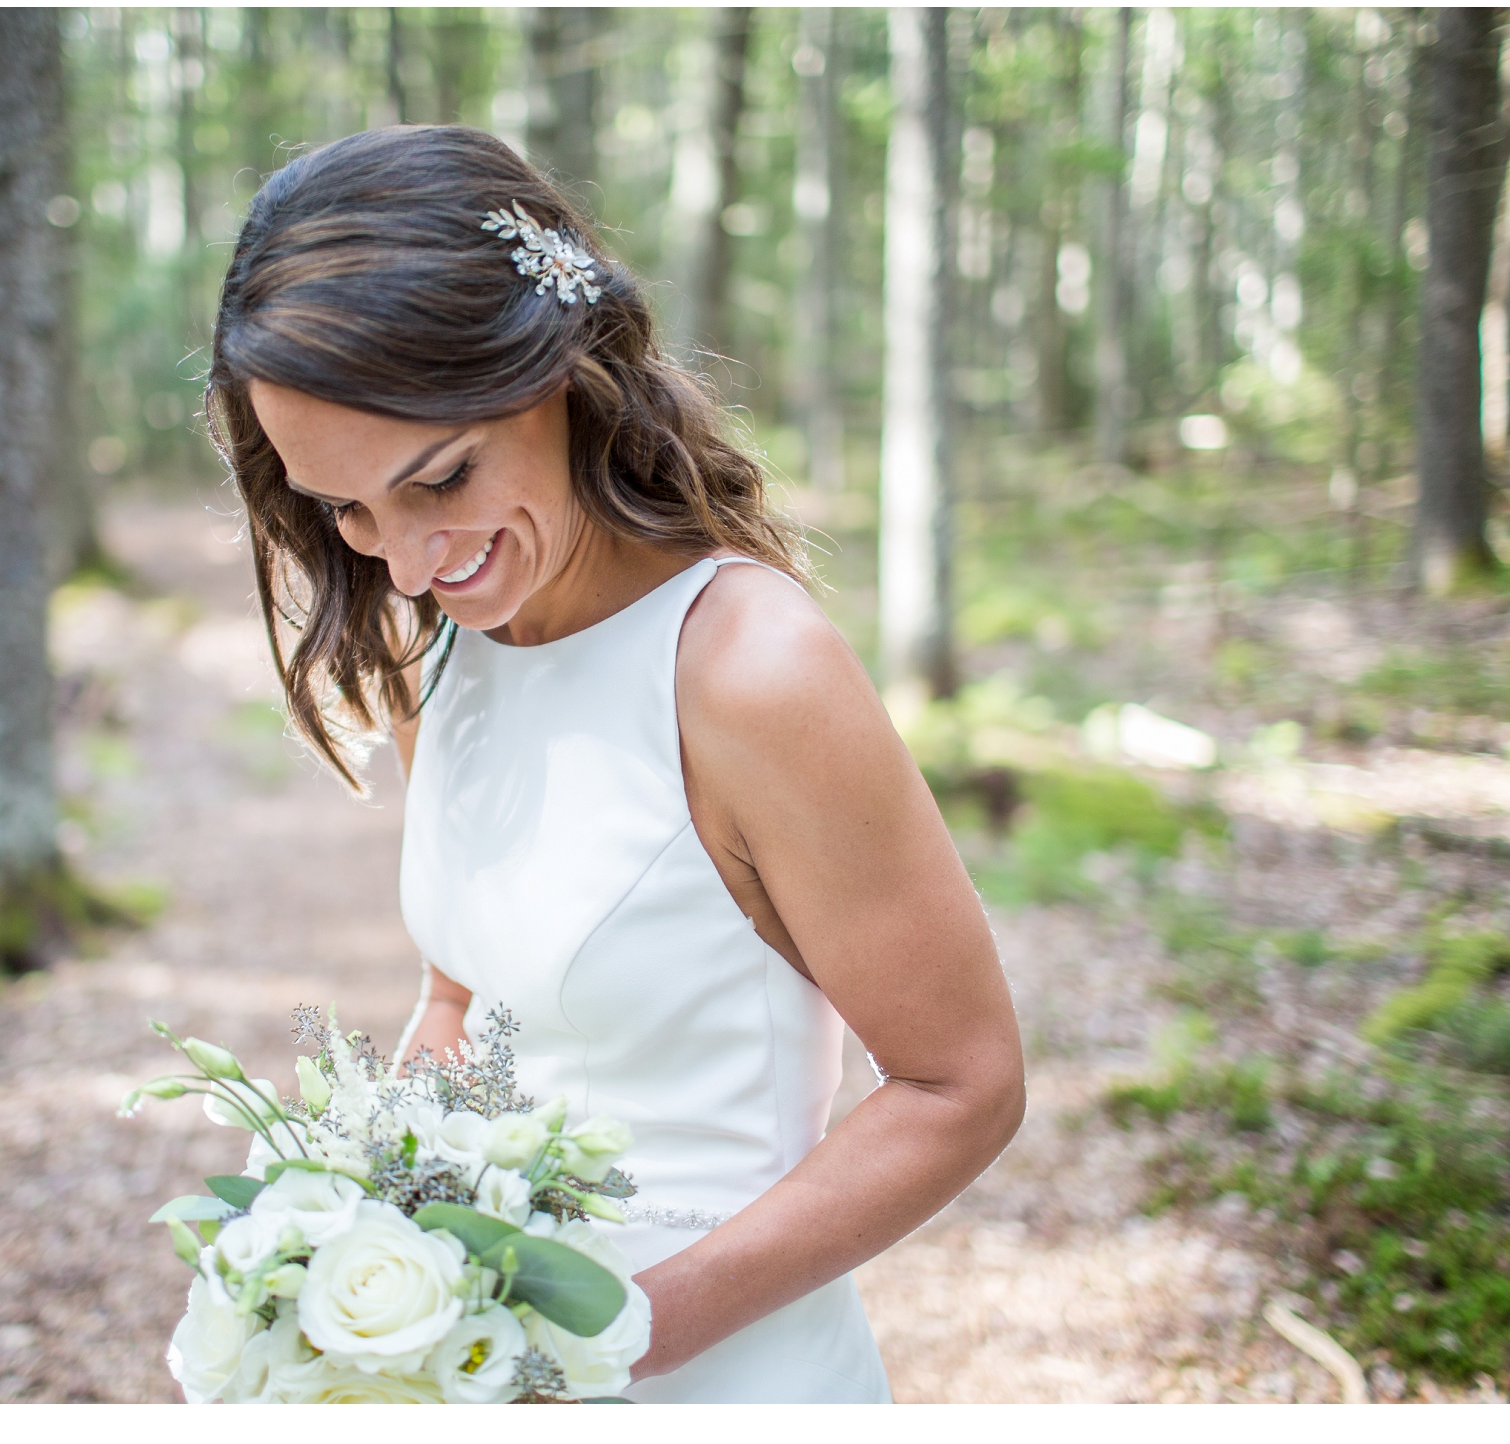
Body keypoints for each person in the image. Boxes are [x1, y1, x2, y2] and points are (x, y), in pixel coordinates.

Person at [208, 124, 1024, 1404]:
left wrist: (609, 1337)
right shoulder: (440, 644)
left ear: (563, 373)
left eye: (440, 479)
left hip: (727, 1381)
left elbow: (959, 1086)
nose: (406, 562)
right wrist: (365, 1249)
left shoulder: (748, 669)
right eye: (345, 509)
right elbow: (464, 1002)